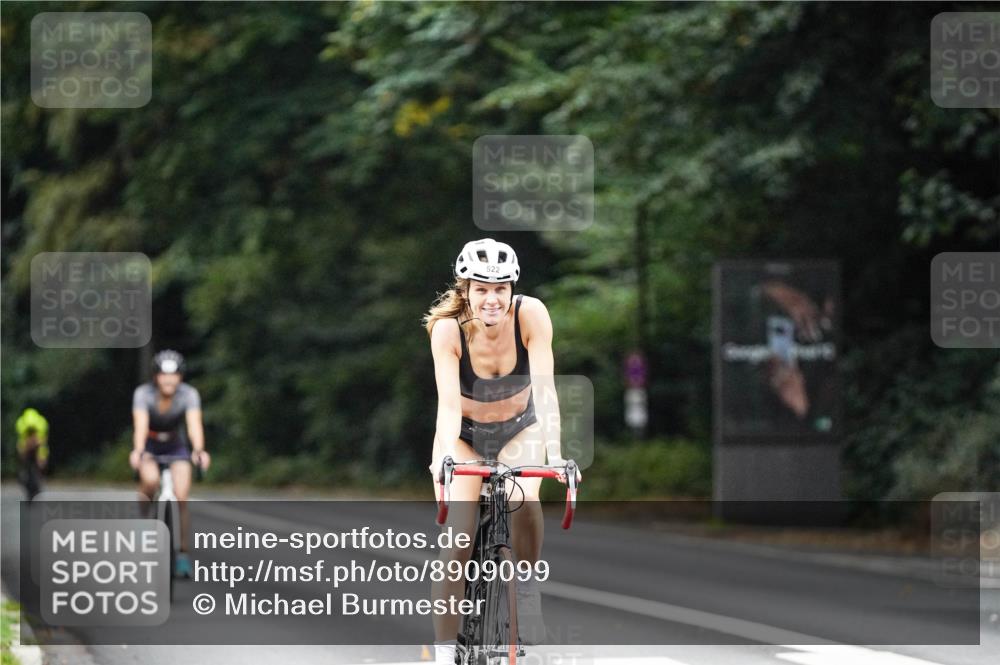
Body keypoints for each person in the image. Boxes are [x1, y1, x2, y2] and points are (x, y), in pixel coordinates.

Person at [424, 238, 571, 664]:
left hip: (517, 429)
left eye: (500, 288)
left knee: (523, 495)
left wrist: (556, 454)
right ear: (465, 289)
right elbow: (449, 406)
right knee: (458, 542)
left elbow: (545, 393)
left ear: (512, 289)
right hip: (464, 434)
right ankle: (445, 650)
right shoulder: (447, 330)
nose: (492, 298)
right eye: (482, 288)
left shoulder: (532, 315)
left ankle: (525, 587)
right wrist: (443, 459)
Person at [129, 350, 210, 578]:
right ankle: (144, 524)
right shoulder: (143, 394)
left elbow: (194, 425)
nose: (168, 380)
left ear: (180, 377)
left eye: (174, 375)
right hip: (150, 445)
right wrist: (138, 451)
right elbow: (141, 425)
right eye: (164, 375)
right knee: (151, 481)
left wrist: (198, 450)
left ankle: (182, 554)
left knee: (181, 496)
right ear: (155, 377)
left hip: (176, 446)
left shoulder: (189, 394)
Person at [15, 407, 49, 501]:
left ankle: (39, 480)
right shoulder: (21, 424)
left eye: (32, 430)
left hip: (38, 446)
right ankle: (23, 476)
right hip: (26, 444)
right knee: (22, 457)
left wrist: (41, 457)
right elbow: (21, 442)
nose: (31, 432)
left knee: (41, 463)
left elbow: (43, 442)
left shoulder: (41, 424)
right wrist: (23, 452)